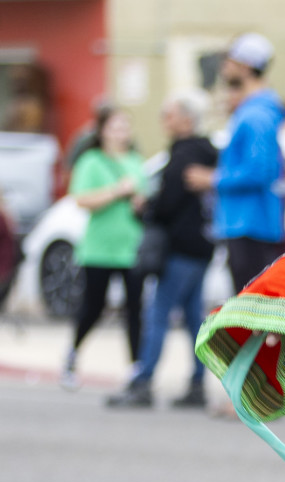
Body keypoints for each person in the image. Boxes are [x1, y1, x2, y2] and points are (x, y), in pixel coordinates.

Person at [106, 93, 218, 410]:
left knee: (158, 313)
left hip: (180, 246)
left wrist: (147, 207)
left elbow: (169, 202)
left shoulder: (184, 154)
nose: (164, 122)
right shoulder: (209, 152)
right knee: (195, 318)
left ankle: (143, 382)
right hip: (204, 245)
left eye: (168, 116)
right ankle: (197, 383)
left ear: (186, 118)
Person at [185, 33, 285, 293]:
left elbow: (260, 172)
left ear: (244, 66)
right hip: (246, 224)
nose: (223, 68)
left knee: (252, 313)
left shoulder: (255, 115)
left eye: (228, 60)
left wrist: (212, 178)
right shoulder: (254, 111)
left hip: (249, 225)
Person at [62, 106, 146, 392]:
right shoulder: (91, 161)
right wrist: (116, 191)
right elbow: (80, 199)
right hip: (99, 248)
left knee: (135, 308)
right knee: (93, 306)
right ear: (102, 131)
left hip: (131, 247)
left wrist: (138, 201)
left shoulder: (135, 161)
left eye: (125, 127)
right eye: (115, 127)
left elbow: (142, 197)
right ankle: (72, 355)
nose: (121, 133)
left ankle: (136, 368)